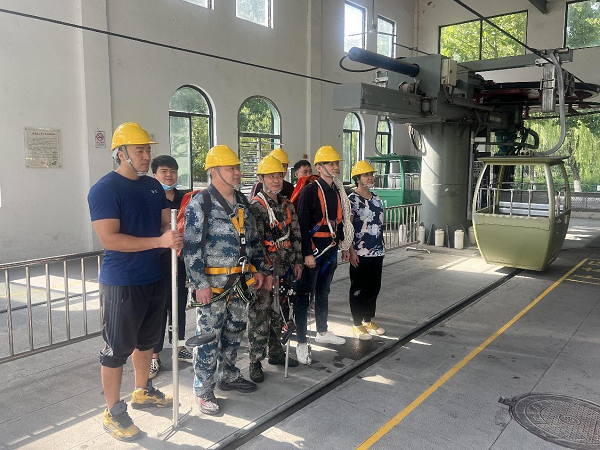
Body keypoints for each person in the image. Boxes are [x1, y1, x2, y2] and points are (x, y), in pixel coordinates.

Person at [88, 123, 183, 442]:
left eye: (148, 150)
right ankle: (113, 411)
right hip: (122, 282)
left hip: (153, 278)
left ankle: (142, 391)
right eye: (140, 150)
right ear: (121, 153)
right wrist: (159, 242)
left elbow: (162, 225)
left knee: (147, 342)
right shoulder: (104, 189)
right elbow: (110, 239)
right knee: (117, 349)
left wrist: (175, 236)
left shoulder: (152, 187)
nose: (146, 156)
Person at [183, 145, 266, 415]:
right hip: (212, 287)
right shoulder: (201, 203)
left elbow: (253, 240)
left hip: (240, 284)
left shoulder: (242, 202)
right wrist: (199, 285)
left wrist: (261, 269)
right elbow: (191, 248)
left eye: (238, 167)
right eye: (231, 168)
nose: (237, 172)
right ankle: (203, 388)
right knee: (208, 337)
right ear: (214, 172)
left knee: (234, 333)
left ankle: (228, 374)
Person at [294, 145, 354, 364]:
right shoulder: (310, 190)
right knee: (303, 296)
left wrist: (345, 245)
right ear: (319, 167)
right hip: (314, 251)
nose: (335, 167)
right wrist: (307, 253)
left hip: (330, 249)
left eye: (336, 163)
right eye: (331, 163)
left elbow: (340, 220)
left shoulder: (338, 190)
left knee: (324, 292)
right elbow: (301, 223)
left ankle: (322, 331)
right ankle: (301, 342)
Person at [248, 155, 303, 382]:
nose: (276, 180)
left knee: (280, 311)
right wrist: (266, 273)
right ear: (261, 178)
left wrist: (297, 260)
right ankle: (255, 361)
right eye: (271, 176)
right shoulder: (256, 208)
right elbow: (255, 244)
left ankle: (276, 351)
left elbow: (296, 234)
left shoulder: (287, 203)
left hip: (286, 267)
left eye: (279, 175)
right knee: (260, 314)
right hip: (266, 272)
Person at [149, 155, 193, 379]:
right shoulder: (150, 197)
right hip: (158, 262)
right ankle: (154, 356)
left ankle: (179, 345)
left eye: (173, 171)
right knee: (159, 309)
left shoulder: (185, 198)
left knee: (179, 305)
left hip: (181, 262)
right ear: (154, 174)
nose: (169, 175)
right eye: (164, 171)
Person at [347, 161, 386, 340]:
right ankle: (356, 323)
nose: (370, 177)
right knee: (359, 288)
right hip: (360, 253)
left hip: (377, 251)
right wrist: (351, 250)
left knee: (374, 287)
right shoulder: (352, 200)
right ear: (357, 178)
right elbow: (347, 228)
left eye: (371, 174)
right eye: (366, 175)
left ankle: (368, 320)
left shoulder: (376, 198)